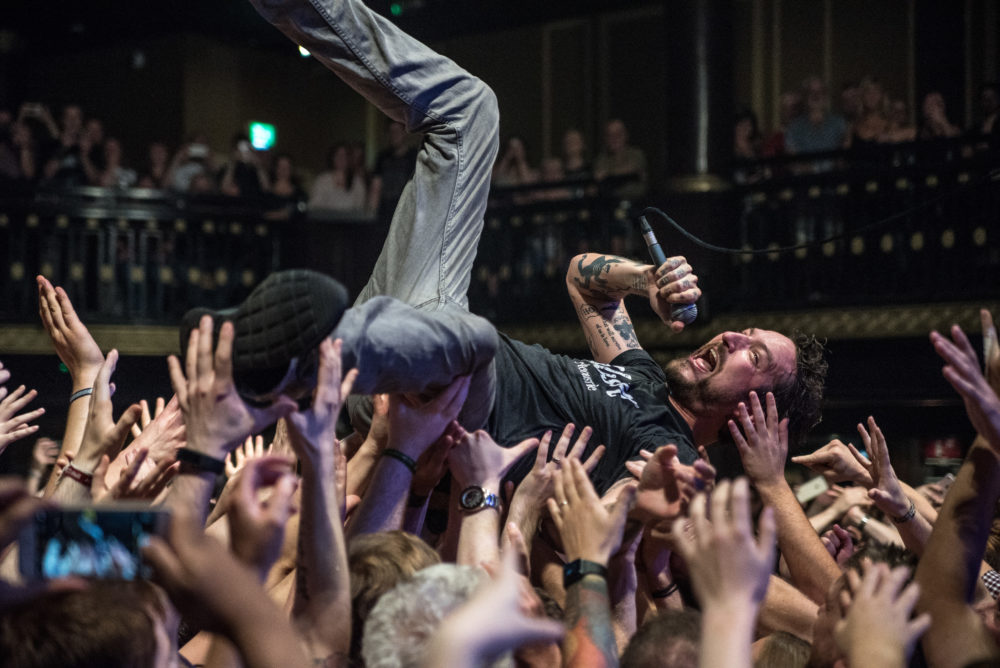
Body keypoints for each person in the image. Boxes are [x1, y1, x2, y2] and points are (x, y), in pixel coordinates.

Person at [200, 0, 827, 502]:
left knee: (476, 341)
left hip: (442, 400)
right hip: (415, 332)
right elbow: (583, 279)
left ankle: (296, 358)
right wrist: (645, 280)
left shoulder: (672, 459)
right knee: (470, 110)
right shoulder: (639, 375)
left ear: (755, 409)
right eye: (747, 330)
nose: (734, 337)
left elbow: (644, 522)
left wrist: (751, 490)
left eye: (755, 352)